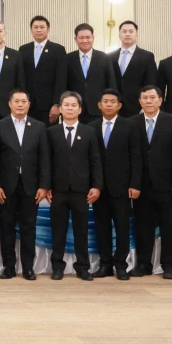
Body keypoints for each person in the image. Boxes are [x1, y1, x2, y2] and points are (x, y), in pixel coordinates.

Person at [0, 88, 50, 280]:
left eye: (24, 101)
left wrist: (43, 186)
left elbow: (44, 159)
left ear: (29, 105)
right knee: (6, 227)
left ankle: (28, 268)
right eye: (16, 101)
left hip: (31, 186)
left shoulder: (39, 126)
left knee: (28, 227)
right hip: (6, 187)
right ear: (9, 104)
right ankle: (8, 267)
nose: (20, 105)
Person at [130, 85, 172, 279]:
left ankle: (169, 265)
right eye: (145, 98)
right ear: (140, 101)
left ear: (160, 100)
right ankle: (143, 264)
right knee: (142, 227)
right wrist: (133, 183)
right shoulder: (132, 123)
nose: (149, 101)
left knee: (168, 227)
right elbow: (131, 156)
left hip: (167, 186)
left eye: (152, 97)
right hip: (141, 186)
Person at [45, 91, 102, 281]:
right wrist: (46, 186)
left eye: (73, 105)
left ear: (80, 109)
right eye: (66, 105)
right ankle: (57, 267)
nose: (70, 108)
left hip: (81, 190)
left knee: (81, 230)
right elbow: (46, 162)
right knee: (58, 230)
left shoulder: (89, 132)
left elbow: (95, 161)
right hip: (58, 190)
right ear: (60, 109)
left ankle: (83, 267)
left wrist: (97, 186)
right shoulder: (51, 132)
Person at [88, 89, 142, 280]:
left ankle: (121, 265)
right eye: (106, 101)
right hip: (99, 188)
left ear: (119, 105)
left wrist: (135, 184)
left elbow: (136, 157)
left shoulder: (130, 126)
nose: (109, 104)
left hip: (122, 187)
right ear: (99, 105)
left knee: (122, 227)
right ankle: (105, 265)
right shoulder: (91, 127)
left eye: (113, 101)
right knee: (101, 227)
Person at [64, 23, 117, 126]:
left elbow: (111, 83)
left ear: (93, 37)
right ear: (75, 39)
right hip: (74, 109)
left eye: (88, 37)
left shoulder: (104, 58)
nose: (85, 41)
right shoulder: (68, 59)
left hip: (98, 109)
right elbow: (63, 84)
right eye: (81, 38)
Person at [18, 15, 66, 125]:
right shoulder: (23, 49)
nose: (38, 30)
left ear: (48, 29)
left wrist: (57, 104)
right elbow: (20, 77)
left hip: (49, 106)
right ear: (31, 30)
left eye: (42, 27)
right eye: (35, 27)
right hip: (28, 104)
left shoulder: (58, 49)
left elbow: (61, 79)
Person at [109, 21, 157, 118]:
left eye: (131, 31)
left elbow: (151, 83)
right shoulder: (110, 57)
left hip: (138, 107)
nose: (127, 34)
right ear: (119, 35)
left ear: (136, 35)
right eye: (124, 31)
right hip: (115, 107)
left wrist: (146, 106)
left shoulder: (147, 56)